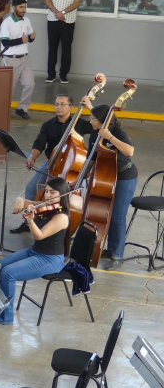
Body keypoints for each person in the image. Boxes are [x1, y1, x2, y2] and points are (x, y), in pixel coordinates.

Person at [0, 177, 70, 324]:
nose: (48, 195)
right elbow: (24, 201)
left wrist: (30, 220)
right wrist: (20, 200)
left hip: (50, 259)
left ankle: (5, 317)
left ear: (62, 194)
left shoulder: (61, 217)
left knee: (8, 273)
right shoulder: (47, 205)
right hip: (35, 252)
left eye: (53, 192)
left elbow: (39, 235)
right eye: (46, 191)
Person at [12, 94, 90, 233]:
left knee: (78, 195)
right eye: (57, 104)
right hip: (52, 163)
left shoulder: (81, 123)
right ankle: (28, 222)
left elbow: (100, 125)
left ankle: (70, 228)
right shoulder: (48, 125)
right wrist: (32, 158)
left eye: (62, 104)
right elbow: (39, 144)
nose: (58, 107)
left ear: (71, 107)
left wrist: (90, 106)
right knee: (31, 188)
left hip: (73, 165)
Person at [81, 100, 137, 270]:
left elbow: (129, 151)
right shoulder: (94, 134)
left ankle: (117, 255)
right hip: (106, 176)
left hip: (125, 177)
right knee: (105, 214)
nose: (90, 122)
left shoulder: (117, 131)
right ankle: (109, 249)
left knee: (117, 216)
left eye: (93, 119)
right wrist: (81, 178)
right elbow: (91, 159)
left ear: (103, 120)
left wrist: (110, 137)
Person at [0, 0, 36, 121]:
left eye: (25, 7)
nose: (23, 10)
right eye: (21, 7)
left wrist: (32, 38)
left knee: (30, 84)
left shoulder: (27, 20)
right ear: (14, 7)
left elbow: (28, 38)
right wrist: (21, 40)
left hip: (25, 58)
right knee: (9, 88)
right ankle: (3, 111)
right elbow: (5, 42)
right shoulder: (6, 23)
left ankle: (22, 109)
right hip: (11, 59)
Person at [45, 0, 80, 83]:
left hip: (68, 20)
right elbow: (47, 0)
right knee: (52, 48)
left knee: (66, 49)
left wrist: (63, 12)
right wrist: (57, 12)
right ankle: (51, 74)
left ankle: (63, 75)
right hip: (53, 19)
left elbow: (76, 3)